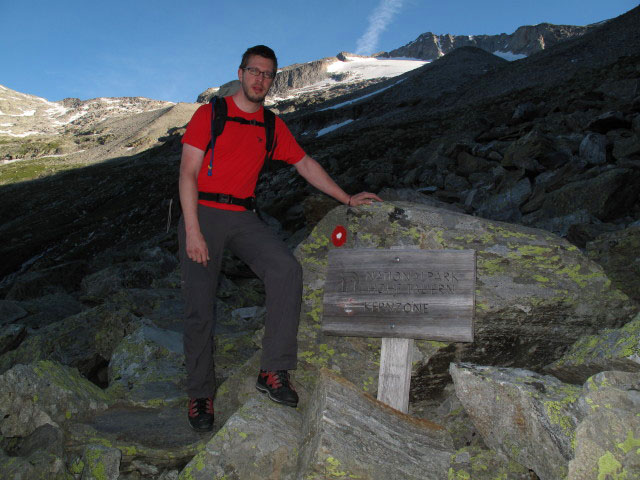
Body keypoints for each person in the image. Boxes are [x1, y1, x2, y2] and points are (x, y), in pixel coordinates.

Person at [179, 44, 381, 432]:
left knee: (286, 269)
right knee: (200, 307)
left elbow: (304, 163)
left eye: (268, 74)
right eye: (254, 72)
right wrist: (192, 230)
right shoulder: (212, 113)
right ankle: (200, 394)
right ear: (240, 73)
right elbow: (187, 172)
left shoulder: (272, 125)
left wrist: (346, 198)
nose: (261, 80)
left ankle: (273, 371)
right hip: (202, 213)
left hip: (242, 214)